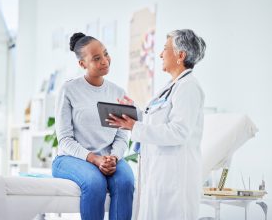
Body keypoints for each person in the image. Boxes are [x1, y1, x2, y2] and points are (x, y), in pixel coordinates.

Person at [106, 29, 206, 220]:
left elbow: (179, 132)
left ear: (180, 55)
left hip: (174, 179)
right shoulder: (171, 87)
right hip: (159, 174)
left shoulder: (189, 87)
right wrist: (133, 111)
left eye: (165, 49)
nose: (160, 54)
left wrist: (134, 127)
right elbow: (155, 120)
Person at [52, 32, 134, 220]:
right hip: (70, 158)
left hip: (108, 158)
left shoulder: (118, 92)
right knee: (94, 182)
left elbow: (122, 136)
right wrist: (94, 159)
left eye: (106, 54)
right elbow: (64, 139)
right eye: (97, 58)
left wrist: (114, 157)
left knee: (126, 181)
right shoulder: (69, 90)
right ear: (82, 64)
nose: (105, 60)